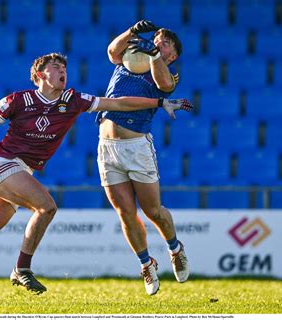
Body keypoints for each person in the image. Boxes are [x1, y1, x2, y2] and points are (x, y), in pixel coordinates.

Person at [0, 52, 193, 298]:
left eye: (64, 68)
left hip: (18, 173)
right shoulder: (17, 100)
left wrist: (159, 102)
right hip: (3, 165)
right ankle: (22, 269)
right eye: (56, 68)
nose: (63, 71)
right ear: (39, 74)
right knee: (47, 206)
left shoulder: (73, 100)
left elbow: (116, 103)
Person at [95, 20, 190, 296]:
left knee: (153, 211)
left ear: (172, 55)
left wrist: (156, 55)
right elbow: (113, 52)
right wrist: (132, 32)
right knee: (125, 213)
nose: (158, 42)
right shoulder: (129, 59)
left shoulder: (166, 73)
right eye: (157, 38)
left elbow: (164, 85)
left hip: (137, 147)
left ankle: (175, 248)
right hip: (107, 146)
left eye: (165, 43)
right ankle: (146, 263)